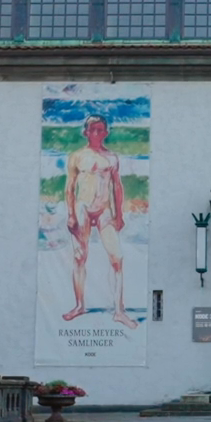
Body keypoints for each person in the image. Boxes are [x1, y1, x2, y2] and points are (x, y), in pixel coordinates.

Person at [61, 115, 138, 329]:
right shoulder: (77, 156)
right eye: (93, 129)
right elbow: (69, 187)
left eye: (100, 130)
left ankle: (119, 310)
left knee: (117, 258)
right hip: (83, 207)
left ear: (106, 133)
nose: (96, 133)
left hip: (104, 210)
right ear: (86, 132)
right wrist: (70, 214)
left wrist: (119, 214)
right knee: (79, 257)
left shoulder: (111, 157)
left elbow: (117, 187)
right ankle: (79, 306)